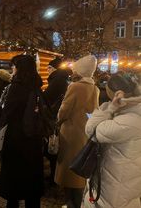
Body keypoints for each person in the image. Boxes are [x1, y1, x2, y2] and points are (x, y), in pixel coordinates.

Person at [83, 73, 141, 208]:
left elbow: (92, 131)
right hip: (122, 181)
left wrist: (109, 108)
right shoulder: (133, 114)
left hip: (115, 188)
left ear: (117, 94)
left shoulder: (129, 121)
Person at [0, 55, 44, 208]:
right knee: (32, 181)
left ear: (19, 68)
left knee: (14, 182)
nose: (12, 69)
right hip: (34, 139)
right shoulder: (37, 86)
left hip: (16, 139)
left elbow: (7, 113)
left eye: (14, 66)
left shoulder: (16, 87)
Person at [54, 55, 99, 208]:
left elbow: (64, 111)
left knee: (68, 169)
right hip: (84, 132)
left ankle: (71, 203)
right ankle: (78, 201)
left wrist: (58, 121)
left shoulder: (75, 87)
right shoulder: (95, 88)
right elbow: (94, 111)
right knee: (79, 167)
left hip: (71, 132)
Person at [43, 57, 69, 185]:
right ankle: (54, 174)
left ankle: (54, 176)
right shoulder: (60, 79)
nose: (47, 70)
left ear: (54, 69)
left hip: (53, 117)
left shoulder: (57, 80)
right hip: (55, 116)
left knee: (53, 146)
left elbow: (47, 97)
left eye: (49, 68)